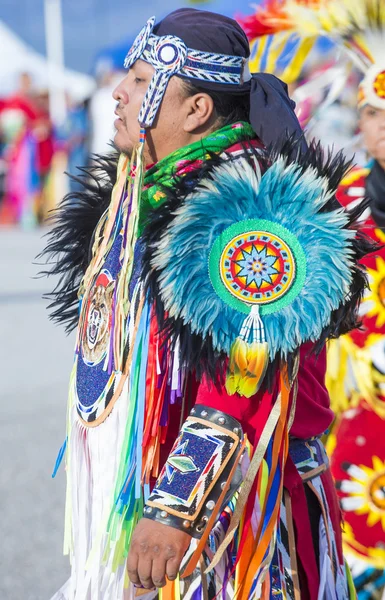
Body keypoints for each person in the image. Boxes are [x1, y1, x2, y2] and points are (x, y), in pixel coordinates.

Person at [45, 8, 369, 600]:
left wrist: (174, 510)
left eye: (141, 82)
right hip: (152, 501)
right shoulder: (148, 191)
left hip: (240, 518)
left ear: (197, 110)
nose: (118, 93)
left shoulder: (249, 214)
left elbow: (244, 380)